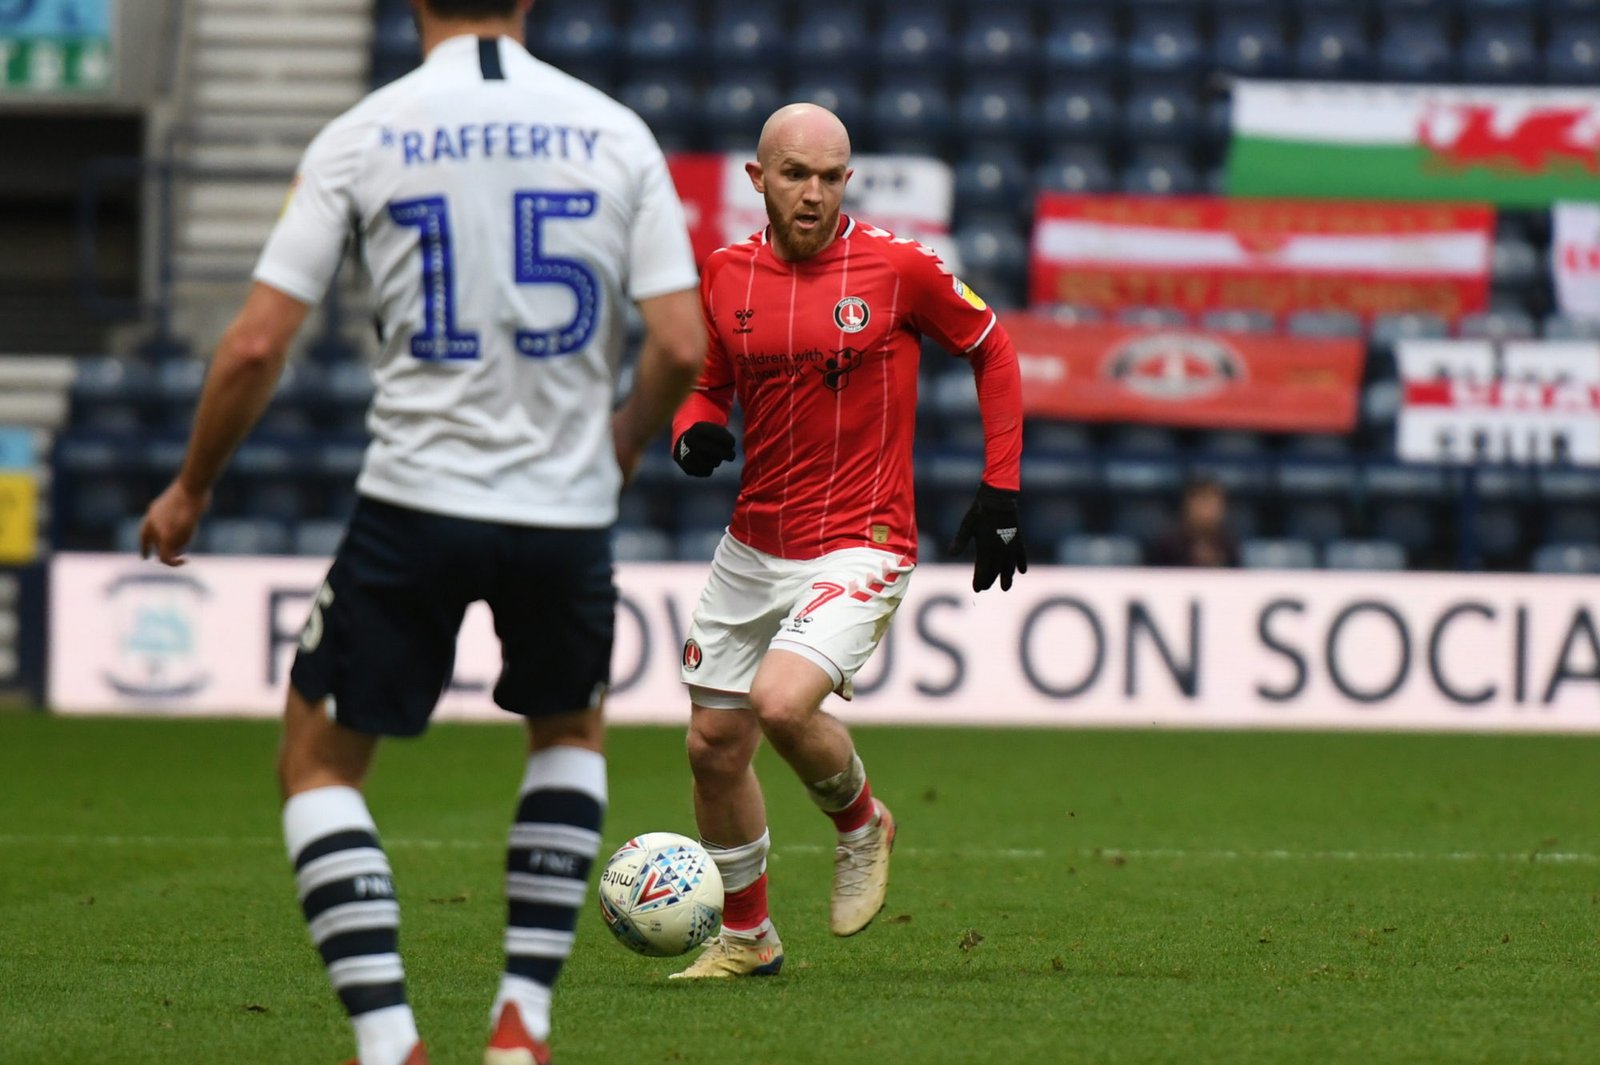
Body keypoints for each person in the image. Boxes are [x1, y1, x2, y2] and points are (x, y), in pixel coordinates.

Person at [137, 1, 705, 1062]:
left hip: (415, 500)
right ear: (526, 0)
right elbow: (679, 341)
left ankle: (391, 1040)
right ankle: (521, 1026)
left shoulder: (367, 131)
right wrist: (617, 444)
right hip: (562, 513)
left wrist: (190, 486)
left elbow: (258, 344)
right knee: (568, 737)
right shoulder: (614, 129)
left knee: (317, 763)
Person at [665, 103, 1027, 979]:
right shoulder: (723, 274)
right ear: (759, 179)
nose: (814, 193)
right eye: (795, 174)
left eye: (831, 177)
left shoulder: (898, 268)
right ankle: (748, 936)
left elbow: (993, 347)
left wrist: (1003, 486)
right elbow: (706, 387)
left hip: (862, 535)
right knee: (711, 744)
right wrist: (695, 427)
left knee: (781, 702)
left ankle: (862, 822)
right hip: (755, 541)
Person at [1147, 474, 1241, 568]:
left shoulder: (1228, 545)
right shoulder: (1167, 545)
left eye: (1213, 502)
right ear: (1187, 505)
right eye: (1203, 501)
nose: (1208, 509)